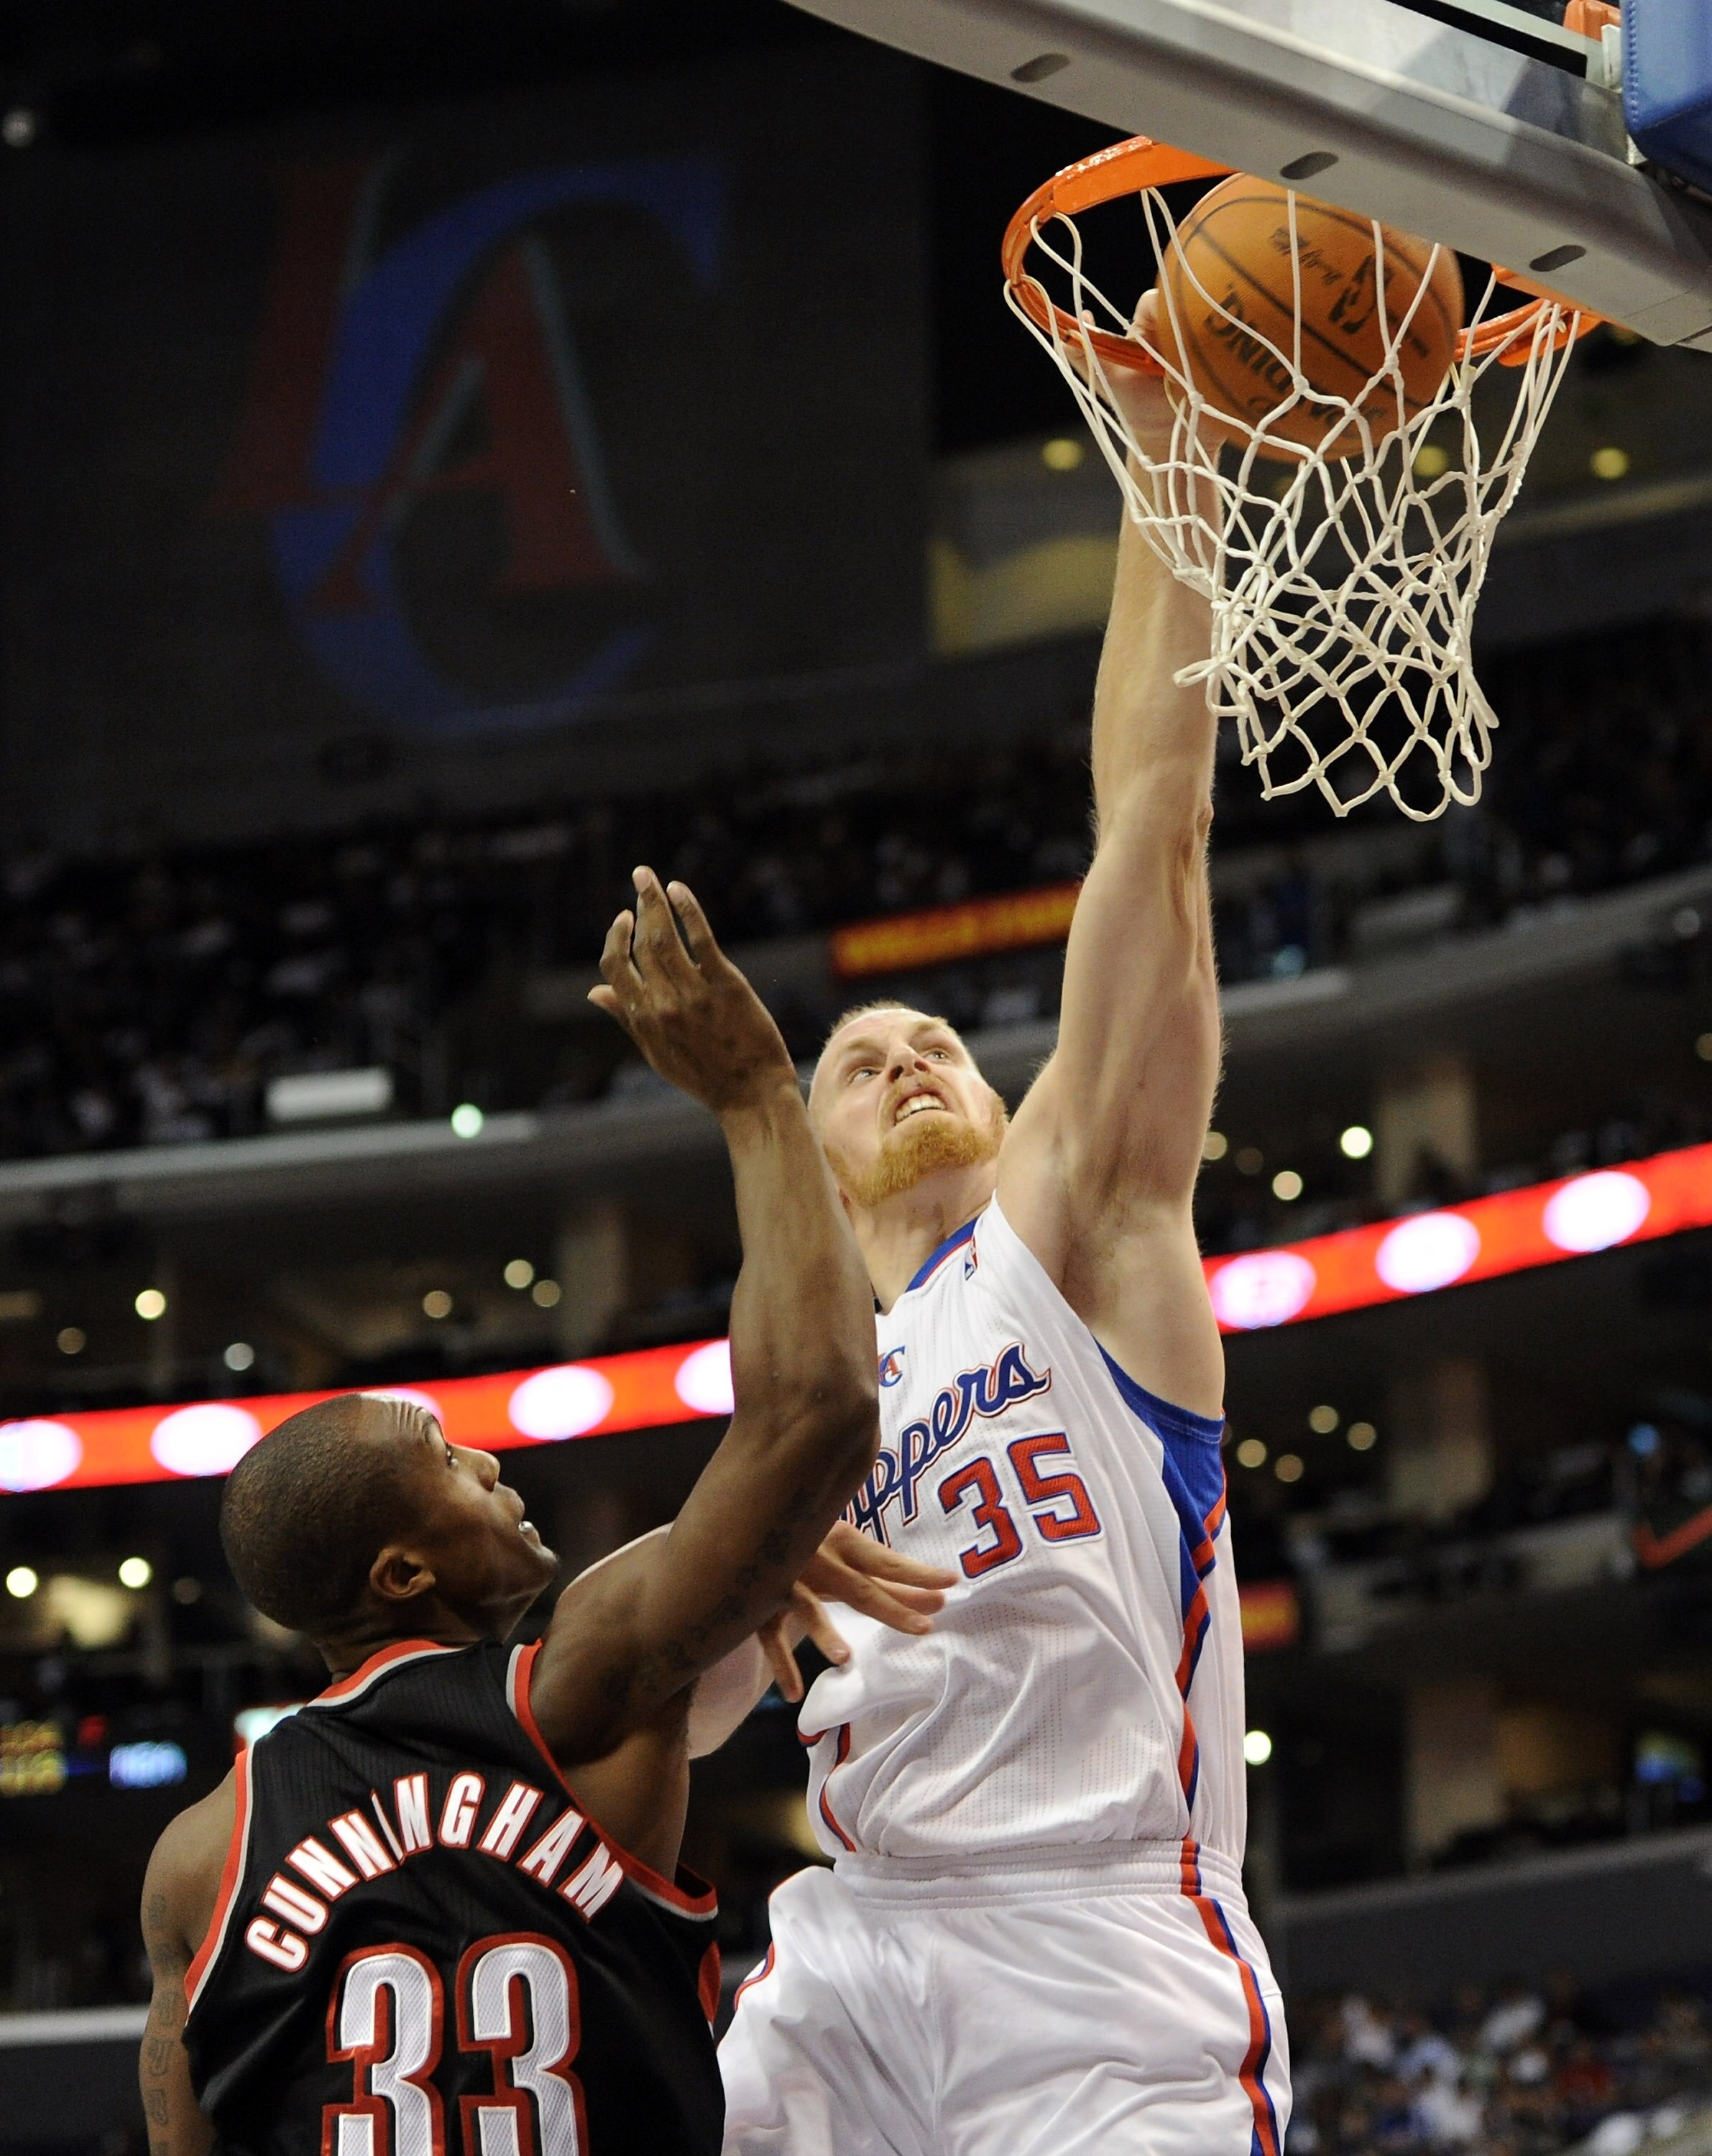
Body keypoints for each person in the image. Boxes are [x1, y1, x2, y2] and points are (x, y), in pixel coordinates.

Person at [138, 872, 952, 2156]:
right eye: (449, 1460)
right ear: (403, 1574)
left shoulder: (198, 1857)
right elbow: (814, 1407)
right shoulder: (573, 1684)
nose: (489, 1461)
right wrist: (751, 1101)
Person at [719, 355, 1292, 2155]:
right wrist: (739, 1566)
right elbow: (656, 1687)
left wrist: (1176, 444)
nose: (906, 1059)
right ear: (808, 1162)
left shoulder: (1077, 1228)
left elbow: (1153, 825)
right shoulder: (805, 1389)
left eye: (939, 1046)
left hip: (1101, 1939)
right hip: (852, 1939)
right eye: (858, 1061)